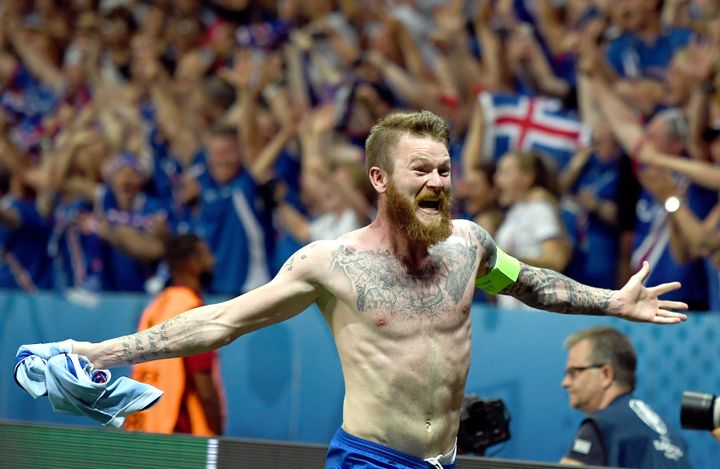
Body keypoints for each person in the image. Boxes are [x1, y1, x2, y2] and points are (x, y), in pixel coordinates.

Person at [56, 111, 687, 469]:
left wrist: (611, 301)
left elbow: (530, 284)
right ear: (382, 179)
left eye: (445, 168)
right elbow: (220, 323)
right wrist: (104, 353)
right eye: (421, 170)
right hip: (370, 462)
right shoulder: (329, 264)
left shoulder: (470, 245)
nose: (438, 180)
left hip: (443, 461)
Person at [123, 233, 224, 436]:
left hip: (143, 427)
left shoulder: (156, 306)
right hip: (180, 433)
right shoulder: (193, 310)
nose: (212, 260)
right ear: (190, 262)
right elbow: (204, 387)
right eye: (205, 254)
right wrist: (217, 431)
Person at [560, 326, 690, 468]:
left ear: (606, 374)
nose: (565, 383)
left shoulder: (602, 427)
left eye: (573, 372)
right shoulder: (674, 438)